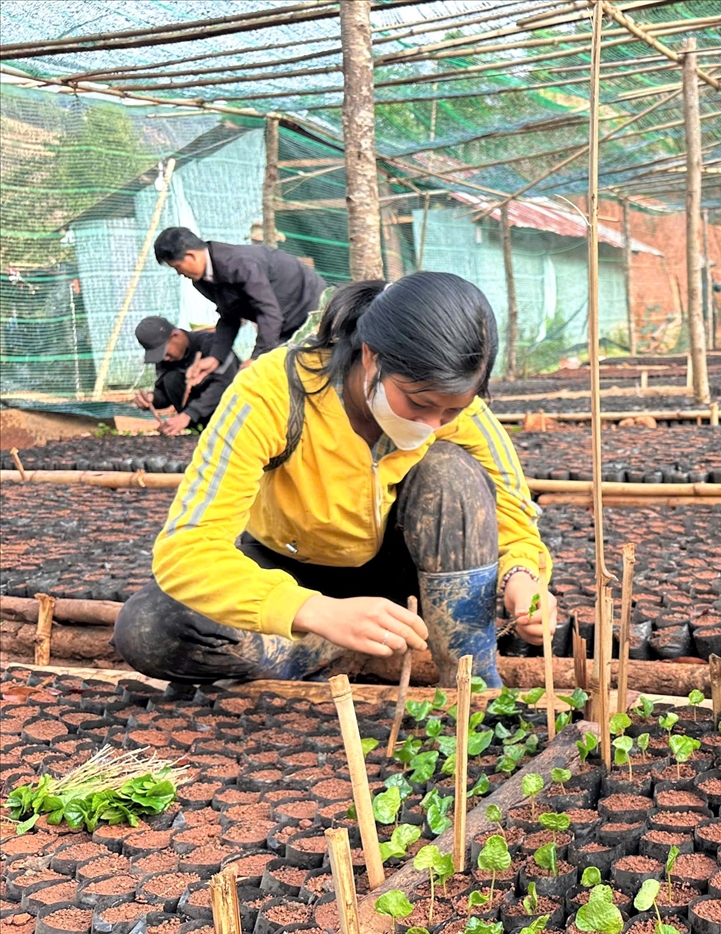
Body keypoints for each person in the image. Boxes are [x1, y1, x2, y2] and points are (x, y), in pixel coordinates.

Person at [112, 272, 555, 693]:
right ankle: (337, 642)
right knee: (152, 630)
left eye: (451, 411)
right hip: (291, 569)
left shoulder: (460, 410)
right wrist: (313, 611)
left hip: (407, 576)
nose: (433, 423)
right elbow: (187, 548)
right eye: (418, 404)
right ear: (371, 356)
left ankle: (471, 683)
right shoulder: (271, 393)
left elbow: (516, 519)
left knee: (449, 470)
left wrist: (521, 577)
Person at [153, 227, 327, 381]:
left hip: (311, 309)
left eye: (177, 266)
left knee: (298, 375)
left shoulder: (239, 263)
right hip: (282, 320)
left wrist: (258, 356)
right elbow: (229, 316)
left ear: (191, 256)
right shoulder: (202, 280)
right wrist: (215, 357)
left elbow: (268, 311)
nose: (179, 273)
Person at [132, 316, 239, 436]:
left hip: (236, 416)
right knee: (170, 378)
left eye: (164, 352)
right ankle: (200, 432)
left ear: (175, 335)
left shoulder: (212, 344)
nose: (165, 358)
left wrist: (188, 415)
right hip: (200, 422)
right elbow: (165, 393)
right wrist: (152, 399)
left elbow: (225, 384)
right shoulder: (166, 360)